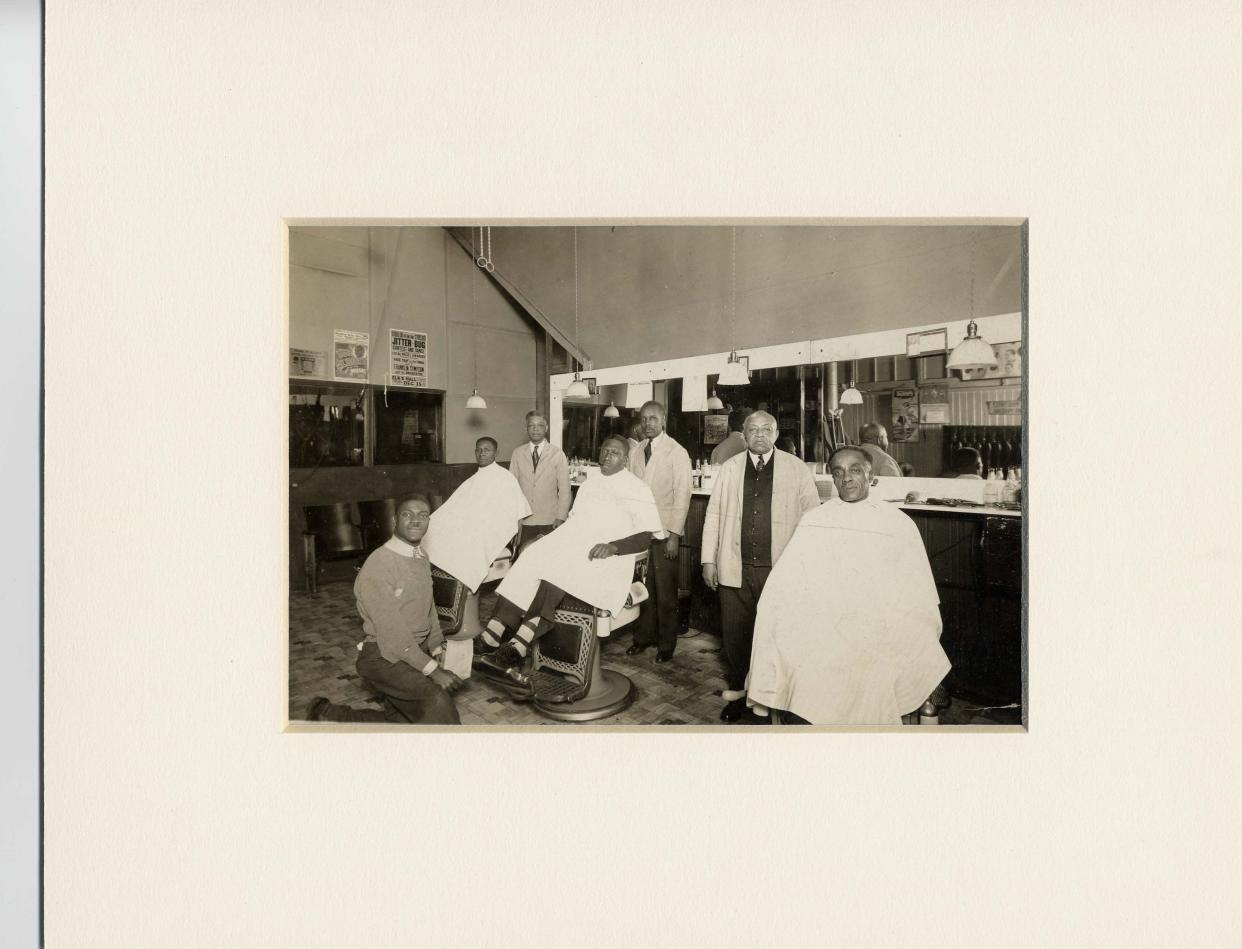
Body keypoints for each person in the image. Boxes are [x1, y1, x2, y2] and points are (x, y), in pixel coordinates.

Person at [746, 446, 949, 725]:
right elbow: (789, 579)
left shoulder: (896, 522)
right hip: (826, 616)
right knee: (794, 640)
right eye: (838, 472)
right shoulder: (816, 519)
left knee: (877, 658)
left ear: (871, 475)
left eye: (855, 470)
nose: (847, 478)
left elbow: (916, 590)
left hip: (880, 619)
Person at [474, 436, 663, 696]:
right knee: (531, 556)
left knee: (557, 569)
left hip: (609, 555)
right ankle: (494, 633)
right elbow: (575, 522)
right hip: (575, 545)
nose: (608, 455)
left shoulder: (637, 488)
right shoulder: (591, 482)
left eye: (615, 452)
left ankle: (519, 645)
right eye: (605, 450)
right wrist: (551, 537)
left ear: (626, 459)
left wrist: (613, 546)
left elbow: (645, 536)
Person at [701, 410, 820, 722]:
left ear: (776, 433)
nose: (759, 434)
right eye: (753, 429)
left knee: (777, 637)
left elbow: (813, 518)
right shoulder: (729, 468)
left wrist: (804, 566)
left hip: (780, 570)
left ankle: (773, 701)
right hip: (734, 566)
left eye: (766, 429)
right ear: (744, 433)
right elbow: (713, 515)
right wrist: (708, 560)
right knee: (736, 637)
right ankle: (742, 696)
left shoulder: (796, 470)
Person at [306, 495, 463, 724]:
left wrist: (437, 646)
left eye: (423, 515)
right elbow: (393, 634)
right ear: (394, 520)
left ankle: (326, 714)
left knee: (400, 725)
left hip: (410, 650)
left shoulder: (420, 556)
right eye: (407, 515)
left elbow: (429, 607)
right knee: (437, 701)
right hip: (383, 657)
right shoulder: (378, 566)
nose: (416, 521)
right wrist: (432, 669)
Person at [626, 400, 693, 662]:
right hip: (640, 532)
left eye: (653, 419)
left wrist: (674, 535)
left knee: (666, 593)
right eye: (643, 419)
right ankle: (643, 638)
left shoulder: (676, 452)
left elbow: (683, 496)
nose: (647, 424)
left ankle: (666, 646)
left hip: (665, 533)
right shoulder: (636, 451)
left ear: (663, 420)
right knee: (641, 588)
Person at [420, 436, 531, 592]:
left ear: (496, 453)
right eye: (478, 450)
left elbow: (516, 511)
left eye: (486, 450)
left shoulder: (505, 478)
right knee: (431, 530)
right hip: (470, 524)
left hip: (491, 529)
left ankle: (461, 588)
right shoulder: (474, 479)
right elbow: (456, 507)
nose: (481, 453)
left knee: (468, 542)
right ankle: (436, 583)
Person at [509, 410, 571, 551]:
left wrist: (561, 517)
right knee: (523, 558)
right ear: (526, 429)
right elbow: (512, 490)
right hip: (525, 520)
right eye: (531, 425)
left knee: (548, 560)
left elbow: (565, 490)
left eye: (540, 425)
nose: (535, 429)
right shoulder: (517, 453)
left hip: (551, 519)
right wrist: (515, 519)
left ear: (546, 428)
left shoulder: (557, 454)